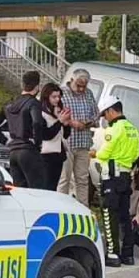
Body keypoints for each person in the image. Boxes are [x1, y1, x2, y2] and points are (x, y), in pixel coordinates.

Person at [90, 93, 139, 267]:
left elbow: (104, 153)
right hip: (126, 177)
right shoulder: (132, 129)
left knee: (109, 215)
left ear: (112, 110)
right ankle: (128, 255)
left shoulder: (114, 129)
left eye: (105, 114)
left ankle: (112, 254)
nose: (104, 118)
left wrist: (93, 153)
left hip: (111, 178)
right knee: (125, 216)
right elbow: (135, 155)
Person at [0, 71, 48, 188]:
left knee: (20, 190)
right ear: (37, 87)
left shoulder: (10, 104)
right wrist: (37, 143)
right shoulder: (33, 103)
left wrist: (4, 141)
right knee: (38, 190)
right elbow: (37, 122)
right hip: (28, 150)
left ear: (23, 85)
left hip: (13, 152)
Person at [57, 69, 99, 205]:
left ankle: (83, 209)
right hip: (67, 143)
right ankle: (60, 209)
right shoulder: (61, 93)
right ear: (72, 80)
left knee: (82, 179)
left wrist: (87, 123)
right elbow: (54, 116)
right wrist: (71, 122)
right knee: (64, 179)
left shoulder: (89, 94)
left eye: (84, 86)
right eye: (78, 85)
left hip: (83, 143)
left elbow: (96, 116)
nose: (81, 89)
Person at [38, 83, 71, 191]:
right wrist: (59, 122)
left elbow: (65, 135)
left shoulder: (58, 110)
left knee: (54, 186)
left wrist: (66, 124)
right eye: (54, 97)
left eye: (59, 96)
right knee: (47, 186)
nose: (57, 99)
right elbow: (46, 135)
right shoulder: (40, 113)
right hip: (46, 155)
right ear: (46, 96)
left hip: (58, 154)